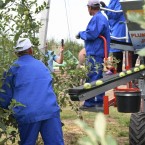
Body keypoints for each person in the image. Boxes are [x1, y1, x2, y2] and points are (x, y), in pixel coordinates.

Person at [0, 38, 64, 145]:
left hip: (28, 113)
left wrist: (6, 109)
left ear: (16, 53)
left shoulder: (13, 69)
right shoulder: (42, 65)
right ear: (31, 50)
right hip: (49, 110)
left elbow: (4, 97)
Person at [76, 0, 110, 108]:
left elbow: (92, 34)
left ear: (90, 8)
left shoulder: (98, 18)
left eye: (88, 8)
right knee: (98, 77)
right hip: (97, 51)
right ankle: (99, 101)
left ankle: (90, 102)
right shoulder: (100, 18)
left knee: (92, 77)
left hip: (95, 52)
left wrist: (80, 34)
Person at [100, 0, 138, 74]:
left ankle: (120, 72)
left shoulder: (118, 1)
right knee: (128, 51)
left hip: (122, 28)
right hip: (127, 28)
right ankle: (127, 73)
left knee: (117, 49)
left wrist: (105, 8)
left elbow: (115, 14)